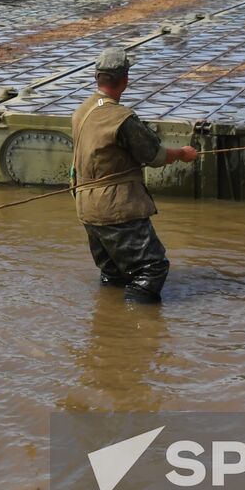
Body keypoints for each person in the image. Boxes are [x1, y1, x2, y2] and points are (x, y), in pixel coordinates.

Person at [71, 48, 198, 304]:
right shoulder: (121, 118)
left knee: (114, 273)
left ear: (97, 77)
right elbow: (154, 155)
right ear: (126, 80)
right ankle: (133, 330)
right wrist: (182, 153)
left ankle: (107, 321)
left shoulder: (81, 111)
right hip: (115, 207)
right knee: (152, 269)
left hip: (86, 206)